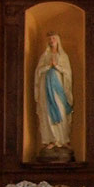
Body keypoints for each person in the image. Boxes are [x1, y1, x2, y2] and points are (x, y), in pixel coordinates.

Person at [34, 32, 75, 161]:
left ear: (58, 41)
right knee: (47, 113)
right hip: (46, 89)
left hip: (59, 89)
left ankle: (62, 140)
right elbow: (38, 72)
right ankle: (50, 139)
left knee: (61, 112)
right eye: (50, 39)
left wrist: (57, 67)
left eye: (54, 39)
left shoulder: (63, 56)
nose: (51, 41)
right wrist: (48, 67)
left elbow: (68, 73)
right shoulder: (45, 56)